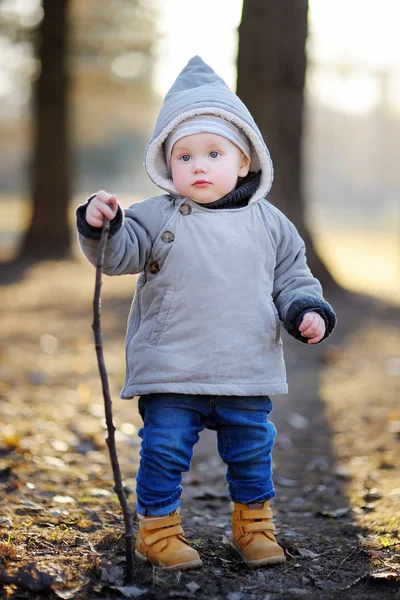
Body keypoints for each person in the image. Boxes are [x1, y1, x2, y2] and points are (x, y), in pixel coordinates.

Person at [76, 56, 336, 571]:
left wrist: (307, 310)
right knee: (165, 449)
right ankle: (158, 528)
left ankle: (254, 525)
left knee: (251, 451)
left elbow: (292, 277)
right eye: (184, 155)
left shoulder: (271, 223)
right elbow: (119, 256)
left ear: (244, 162)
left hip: (246, 366)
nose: (198, 165)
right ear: (166, 163)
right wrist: (99, 224)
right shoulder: (156, 216)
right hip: (173, 366)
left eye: (214, 153)